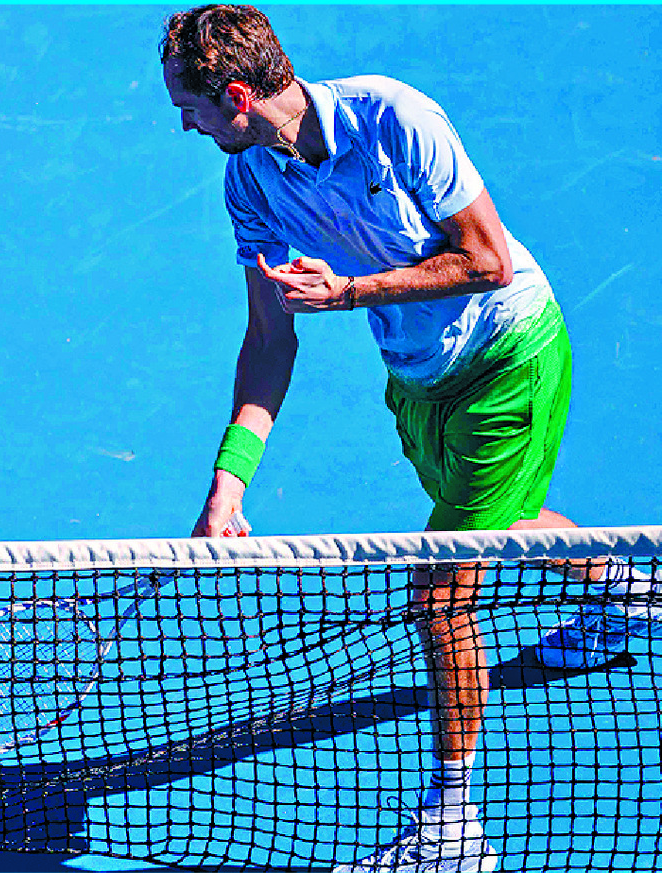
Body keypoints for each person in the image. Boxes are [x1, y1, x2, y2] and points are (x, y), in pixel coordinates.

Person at [160, 6, 659, 872]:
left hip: (509, 358)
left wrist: (350, 291)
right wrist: (230, 481)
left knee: (440, 595)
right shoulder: (251, 184)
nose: (184, 124)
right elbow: (271, 339)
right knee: (500, 518)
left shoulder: (397, 119)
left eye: (191, 108)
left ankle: (453, 828)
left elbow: (489, 259)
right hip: (420, 378)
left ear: (237, 96)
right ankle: (632, 587)